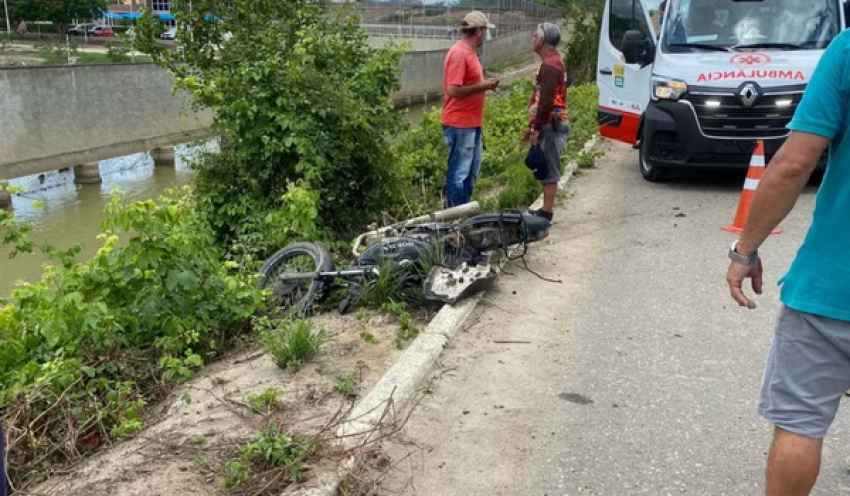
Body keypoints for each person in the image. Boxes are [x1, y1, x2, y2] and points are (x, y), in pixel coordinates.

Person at [725, 28, 850, 496]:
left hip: (832, 289)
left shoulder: (847, 49)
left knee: (800, 424)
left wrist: (745, 251)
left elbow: (794, 164)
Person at [441, 11, 500, 208]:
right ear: (480, 31)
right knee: (459, 173)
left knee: (471, 171)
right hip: (460, 123)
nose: (486, 35)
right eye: (485, 30)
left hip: (472, 122)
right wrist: (484, 86)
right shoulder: (459, 54)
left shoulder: (471, 53)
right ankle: (454, 217)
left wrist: (484, 84)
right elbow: (453, 89)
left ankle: (462, 212)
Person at [520, 22, 570, 221]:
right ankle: (545, 209)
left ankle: (546, 213)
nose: (532, 40)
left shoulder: (550, 66)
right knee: (547, 164)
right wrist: (532, 125)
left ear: (541, 40)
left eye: (534, 36)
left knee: (549, 167)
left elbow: (547, 101)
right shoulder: (554, 62)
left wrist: (537, 128)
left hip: (551, 124)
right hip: (550, 122)